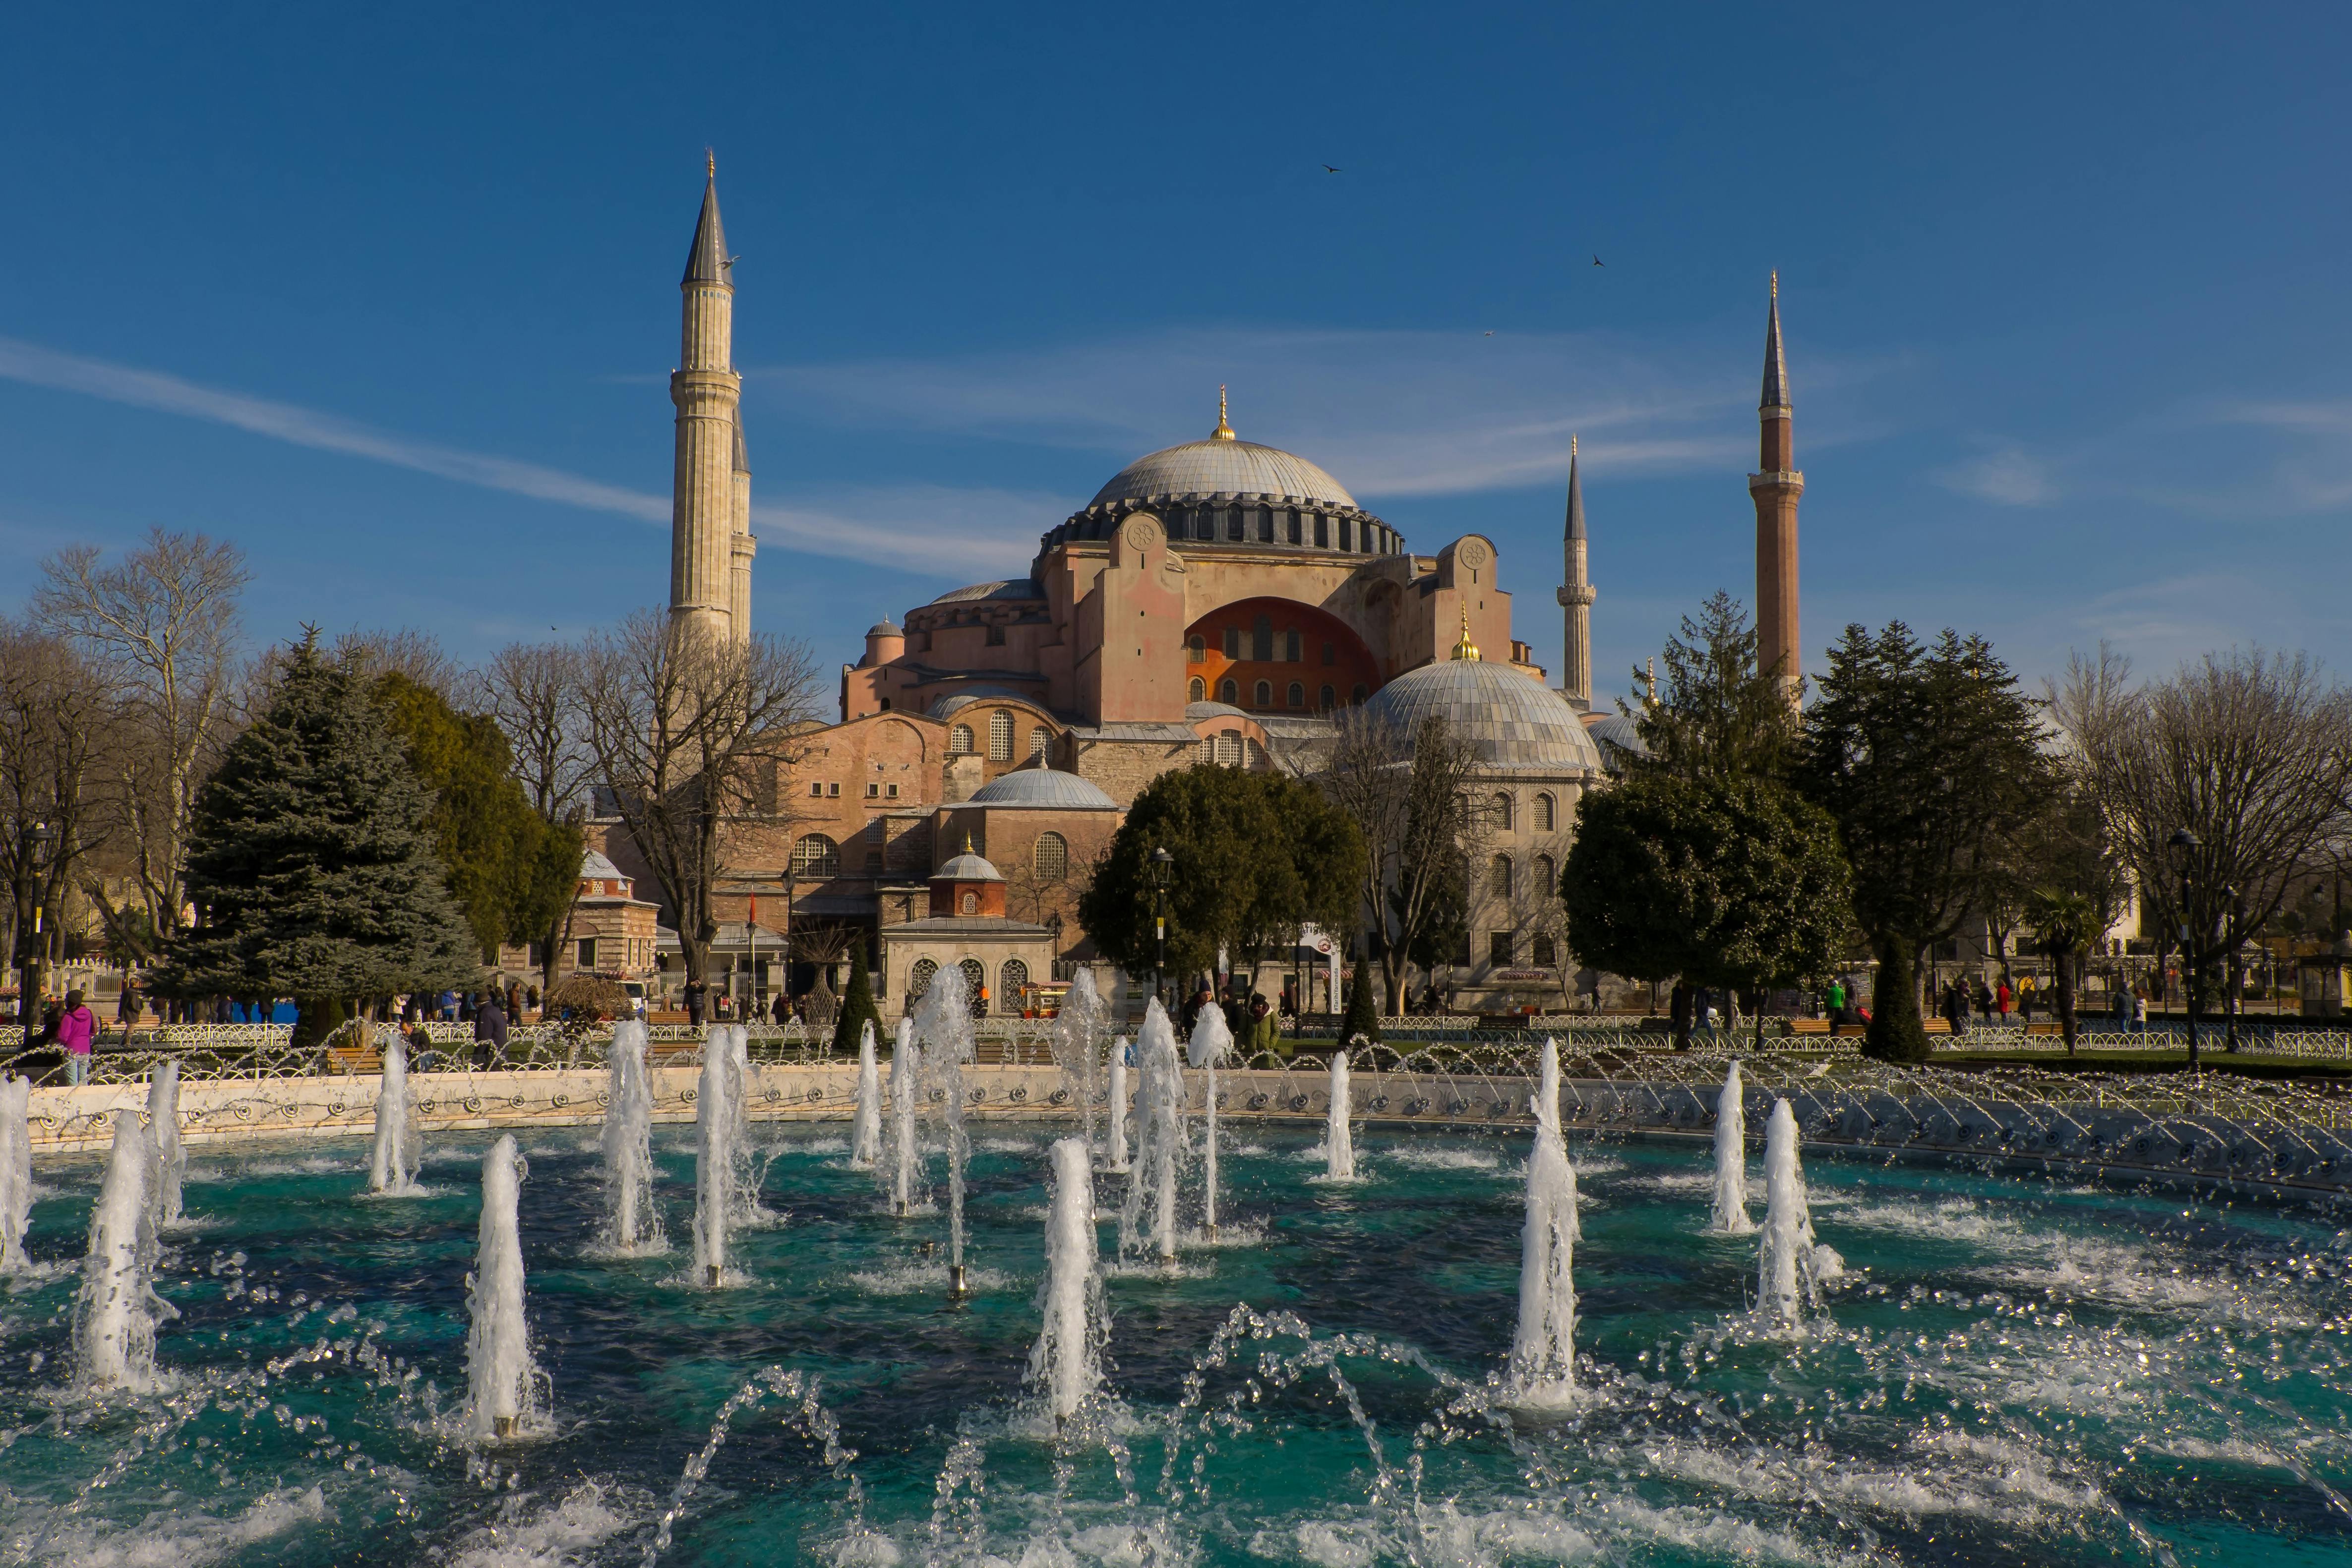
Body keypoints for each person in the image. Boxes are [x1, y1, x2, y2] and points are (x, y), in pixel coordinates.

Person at [57, 988, 96, 1086]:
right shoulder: (89, 1013)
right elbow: (93, 1031)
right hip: (85, 1049)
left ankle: (73, 1101)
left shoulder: (69, 1016)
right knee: (84, 1081)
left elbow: (63, 1036)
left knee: (72, 1083)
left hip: (71, 1050)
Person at [474, 991, 509, 1070]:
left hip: (492, 1052)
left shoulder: (484, 1013)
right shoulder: (496, 1010)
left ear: (477, 1004)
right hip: (501, 1049)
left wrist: (477, 1057)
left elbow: (484, 1037)